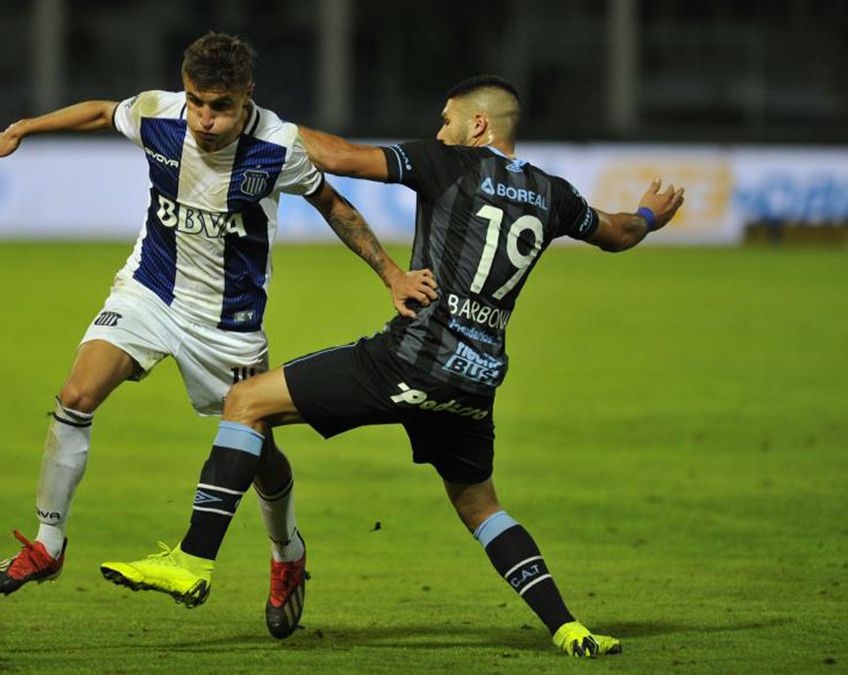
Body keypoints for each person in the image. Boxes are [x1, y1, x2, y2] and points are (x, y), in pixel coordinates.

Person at [100, 75, 685, 657]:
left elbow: (340, 157)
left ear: (478, 125)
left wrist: (257, 123)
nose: (440, 131)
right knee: (481, 507)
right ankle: (568, 628)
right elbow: (620, 232)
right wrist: (649, 215)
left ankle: (194, 559)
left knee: (244, 401)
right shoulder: (554, 193)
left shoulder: (448, 163)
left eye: (447, 120)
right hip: (474, 380)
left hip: (411, 358)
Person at [0, 32, 436, 641]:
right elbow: (99, 111)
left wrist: (392, 274)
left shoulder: (278, 146)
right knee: (77, 395)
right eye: (195, 101)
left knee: (258, 450)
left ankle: (287, 552)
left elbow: (334, 206)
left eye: (220, 106)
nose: (204, 119)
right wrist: (24, 128)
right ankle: (47, 543)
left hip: (229, 324)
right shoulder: (158, 115)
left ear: (247, 98)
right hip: (149, 292)